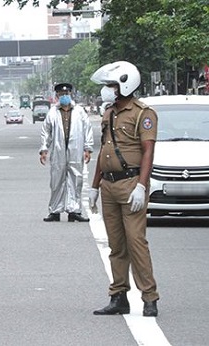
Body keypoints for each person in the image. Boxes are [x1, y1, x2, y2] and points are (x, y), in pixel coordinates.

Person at [89, 61, 160, 317]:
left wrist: (141, 185)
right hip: (108, 185)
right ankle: (118, 296)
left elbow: (148, 152)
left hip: (131, 184)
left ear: (125, 84)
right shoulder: (108, 113)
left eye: (111, 85)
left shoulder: (143, 113)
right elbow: (103, 151)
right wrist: (94, 186)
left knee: (136, 242)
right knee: (116, 245)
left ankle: (149, 297)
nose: (107, 90)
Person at [39, 83, 94, 222]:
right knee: (56, 180)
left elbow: (87, 129)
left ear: (70, 94)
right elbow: (46, 132)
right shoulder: (52, 112)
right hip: (58, 151)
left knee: (76, 179)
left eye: (66, 94)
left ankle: (74, 210)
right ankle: (55, 211)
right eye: (61, 94)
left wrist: (87, 148)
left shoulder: (80, 111)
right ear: (57, 96)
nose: (64, 96)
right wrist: (44, 149)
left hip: (75, 150)